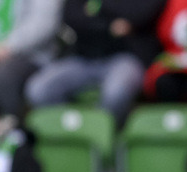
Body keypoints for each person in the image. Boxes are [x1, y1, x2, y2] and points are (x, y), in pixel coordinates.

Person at [24, 0, 165, 125]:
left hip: (127, 56)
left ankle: (101, 139)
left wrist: (97, 8)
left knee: (116, 92)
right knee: (39, 90)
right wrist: (110, 25)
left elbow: (141, 12)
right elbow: (71, 16)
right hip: (83, 57)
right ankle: (76, 135)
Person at [0, 0, 60, 117]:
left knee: (1, 78)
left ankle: (12, 128)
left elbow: (43, 25)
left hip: (28, 55)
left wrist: (3, 50)